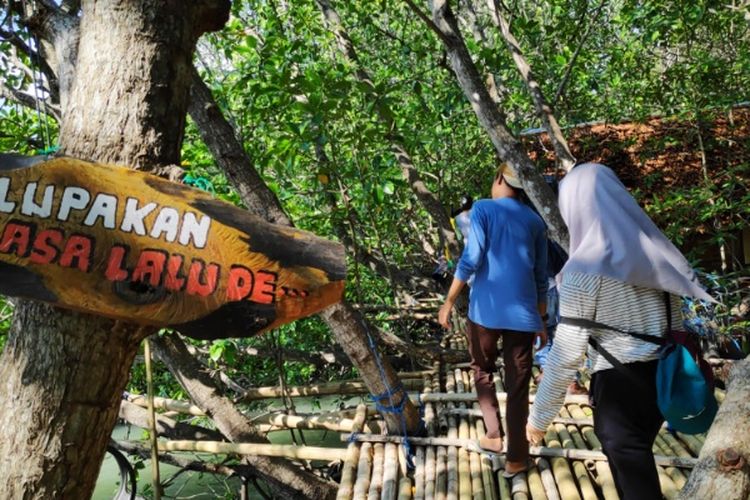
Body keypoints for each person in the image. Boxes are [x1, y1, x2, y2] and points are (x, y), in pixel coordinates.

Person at [526, 163, 714, 500]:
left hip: (618, 389)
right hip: (663, 381)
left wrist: (539, 418)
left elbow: (566, 355)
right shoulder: (658, 255)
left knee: (636, 487)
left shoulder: (583, 272)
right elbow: (675, 328)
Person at [439, 164, 548, 477]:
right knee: (518, 386)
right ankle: (516, 458)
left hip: (485, 312)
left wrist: (448, 301)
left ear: (500, 179)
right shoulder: (535, 221)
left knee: (482, 369)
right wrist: (541, 318)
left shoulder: (483, 209)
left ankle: (493, 435)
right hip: (525, 315)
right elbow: (540, 276)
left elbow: (471, 258)